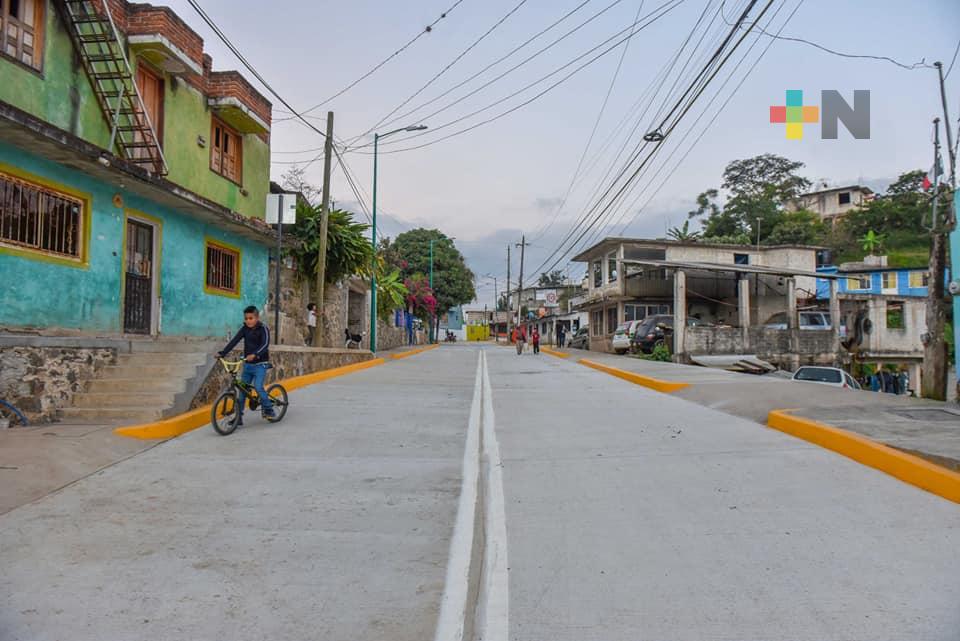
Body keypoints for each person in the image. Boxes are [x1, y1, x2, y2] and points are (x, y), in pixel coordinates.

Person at [217, 305, 273, 424]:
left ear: (257, 317)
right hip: (248, 365)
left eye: (251, 318)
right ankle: (238, 418)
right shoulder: (244, 329)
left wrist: (256, 354)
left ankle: (268, 408)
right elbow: (234, 341)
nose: (248, 321)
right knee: (242, 391)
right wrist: (222, 353)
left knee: (258, 387)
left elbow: (266, 344)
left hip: (260, 364)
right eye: (246, 318)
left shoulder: (263, 328)